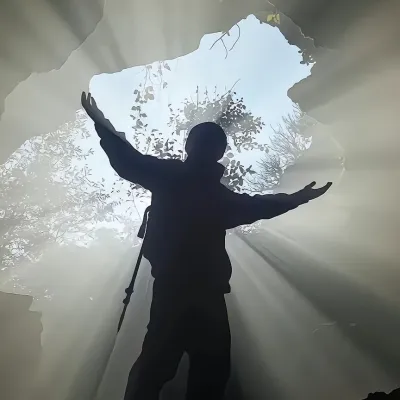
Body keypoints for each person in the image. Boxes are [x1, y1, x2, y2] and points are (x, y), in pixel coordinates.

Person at [81, 92, 332, 400]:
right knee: (197, 369)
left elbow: (129, 160)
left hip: (179, 289)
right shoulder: (214, 195)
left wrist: (103, 126)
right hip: (201, 292)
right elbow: (258, 206)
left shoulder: (173, 178)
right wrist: (295, 199)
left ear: (191, 146)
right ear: (218, 153)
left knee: (164, 367)